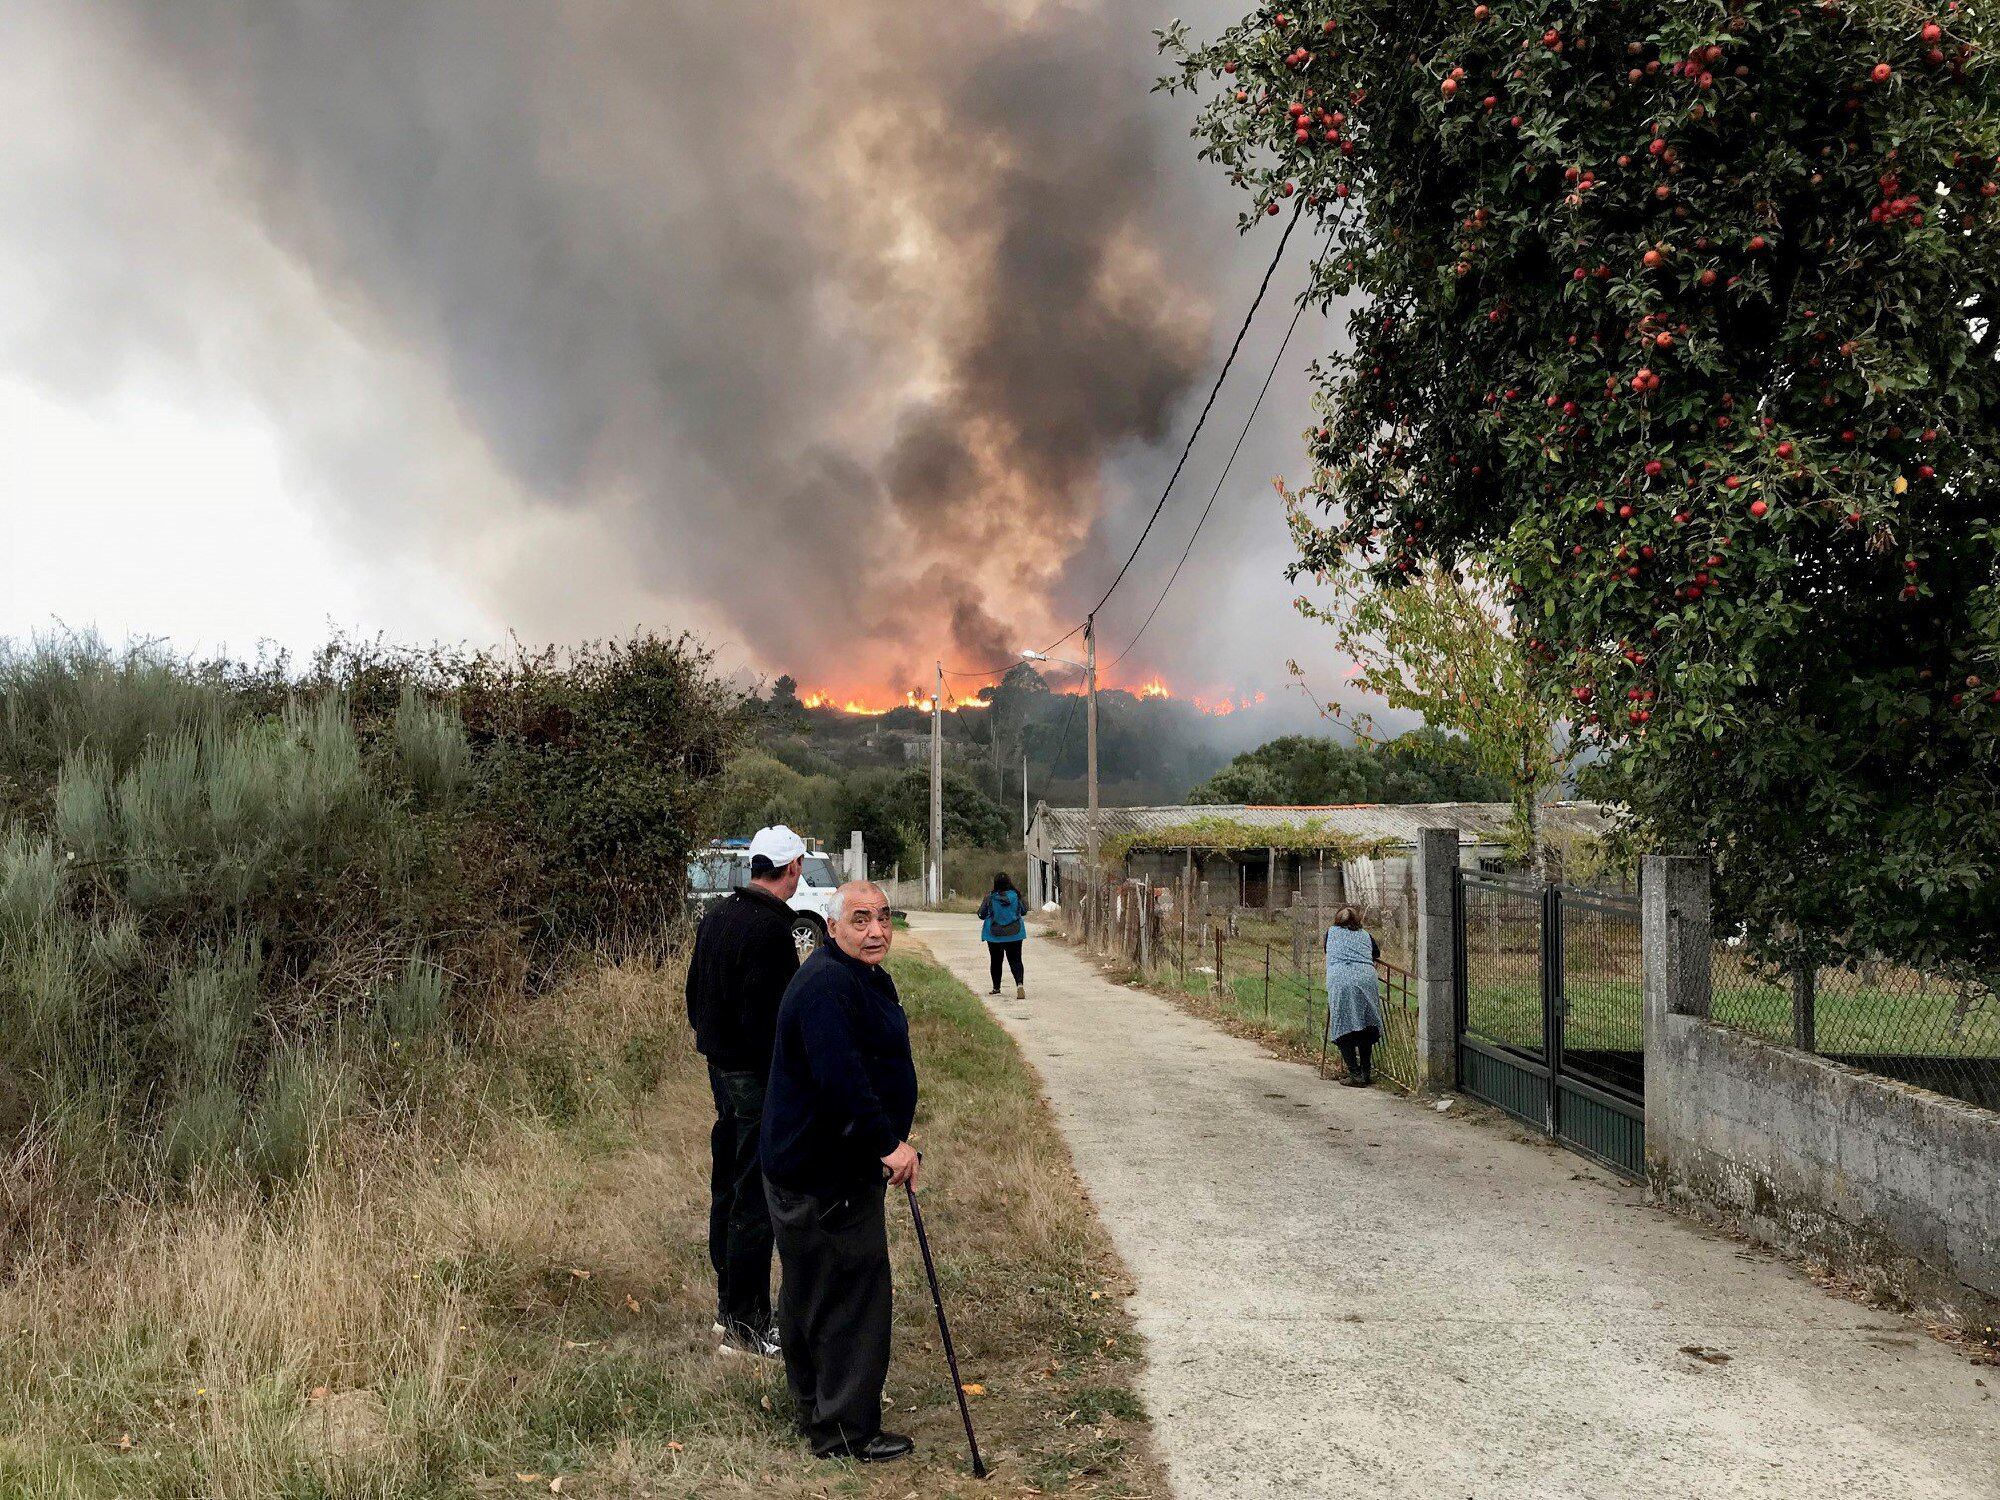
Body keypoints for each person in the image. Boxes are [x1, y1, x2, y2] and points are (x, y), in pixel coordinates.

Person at [760, 880, 920, 1463]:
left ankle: (815, 1406)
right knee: (852, 1293)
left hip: (814, 1164)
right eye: (860, 920)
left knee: (812, 1285)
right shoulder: (828, 985)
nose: (876, 930)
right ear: (833, 928)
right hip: (824, 1171)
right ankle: (844, 1428)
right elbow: (841, 1080)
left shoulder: (860, 975)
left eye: (882, 918)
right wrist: (888, 1143)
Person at [684, 824, 804, 1356]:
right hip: (755, 1076)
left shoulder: (717, 917)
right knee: (754, 1199)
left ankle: (727, 1309)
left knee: (728, 1186)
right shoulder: (771, 932)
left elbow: (693, 996)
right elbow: (772, 1020)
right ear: (793, 869)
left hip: (719, 1069)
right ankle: (748, 1325)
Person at [1324, 905, 1384, 1087]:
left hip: (1340, 980)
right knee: (1366, 1023)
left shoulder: (1331, 933)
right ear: (1358, 921)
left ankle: (1355, 1073)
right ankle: (1366, 1071)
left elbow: (1327, 951)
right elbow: (1376, 954)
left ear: (1336, 920)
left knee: (1343, 1023)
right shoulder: (1366, 935)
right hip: (1366, 979)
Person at [976, 872, 1028, 998]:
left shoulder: (990, 897)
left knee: (996, 961)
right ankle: (1019, 984)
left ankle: (996, 988)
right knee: (1016, 960)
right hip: (1015, 933)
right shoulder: (1016, 895)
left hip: (994, 934)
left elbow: (981, 914)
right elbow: (1024, 911)